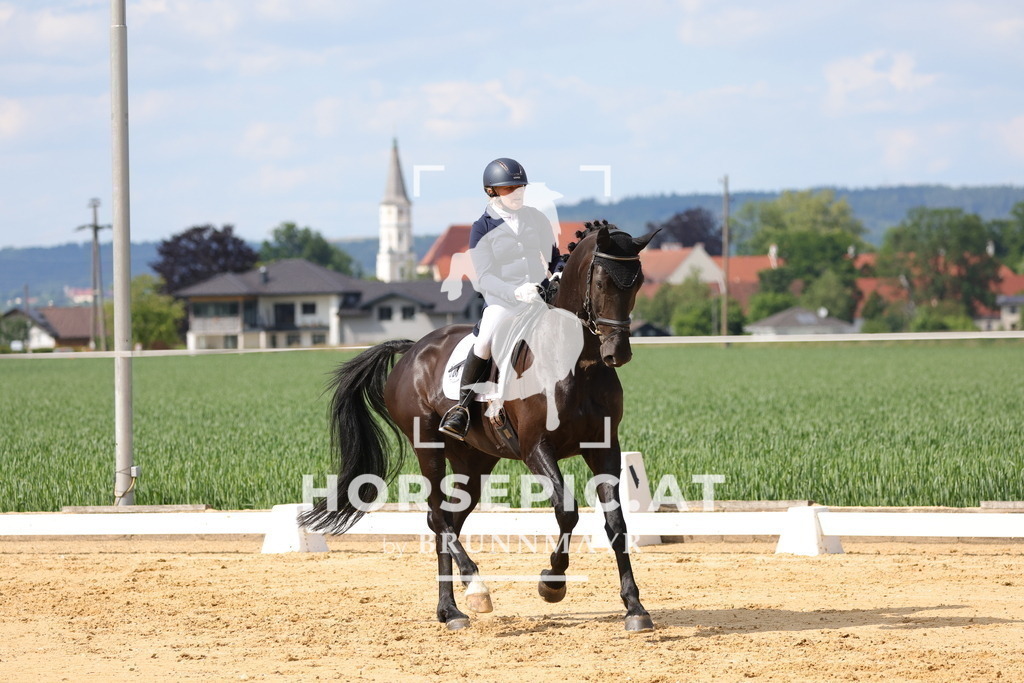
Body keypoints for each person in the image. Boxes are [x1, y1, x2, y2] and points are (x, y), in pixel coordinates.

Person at [438, 158, 561, 440]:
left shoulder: (537, 218)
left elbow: (555, 256)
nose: (517, 193)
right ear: (491, 191)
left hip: (541, 296)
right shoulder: (481, 227)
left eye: (521, 188)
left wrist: (558, 272)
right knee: (484, 340)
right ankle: (462, 408)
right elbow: (484, 277)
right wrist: (514, 292)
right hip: (503, 302)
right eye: (509, 189)